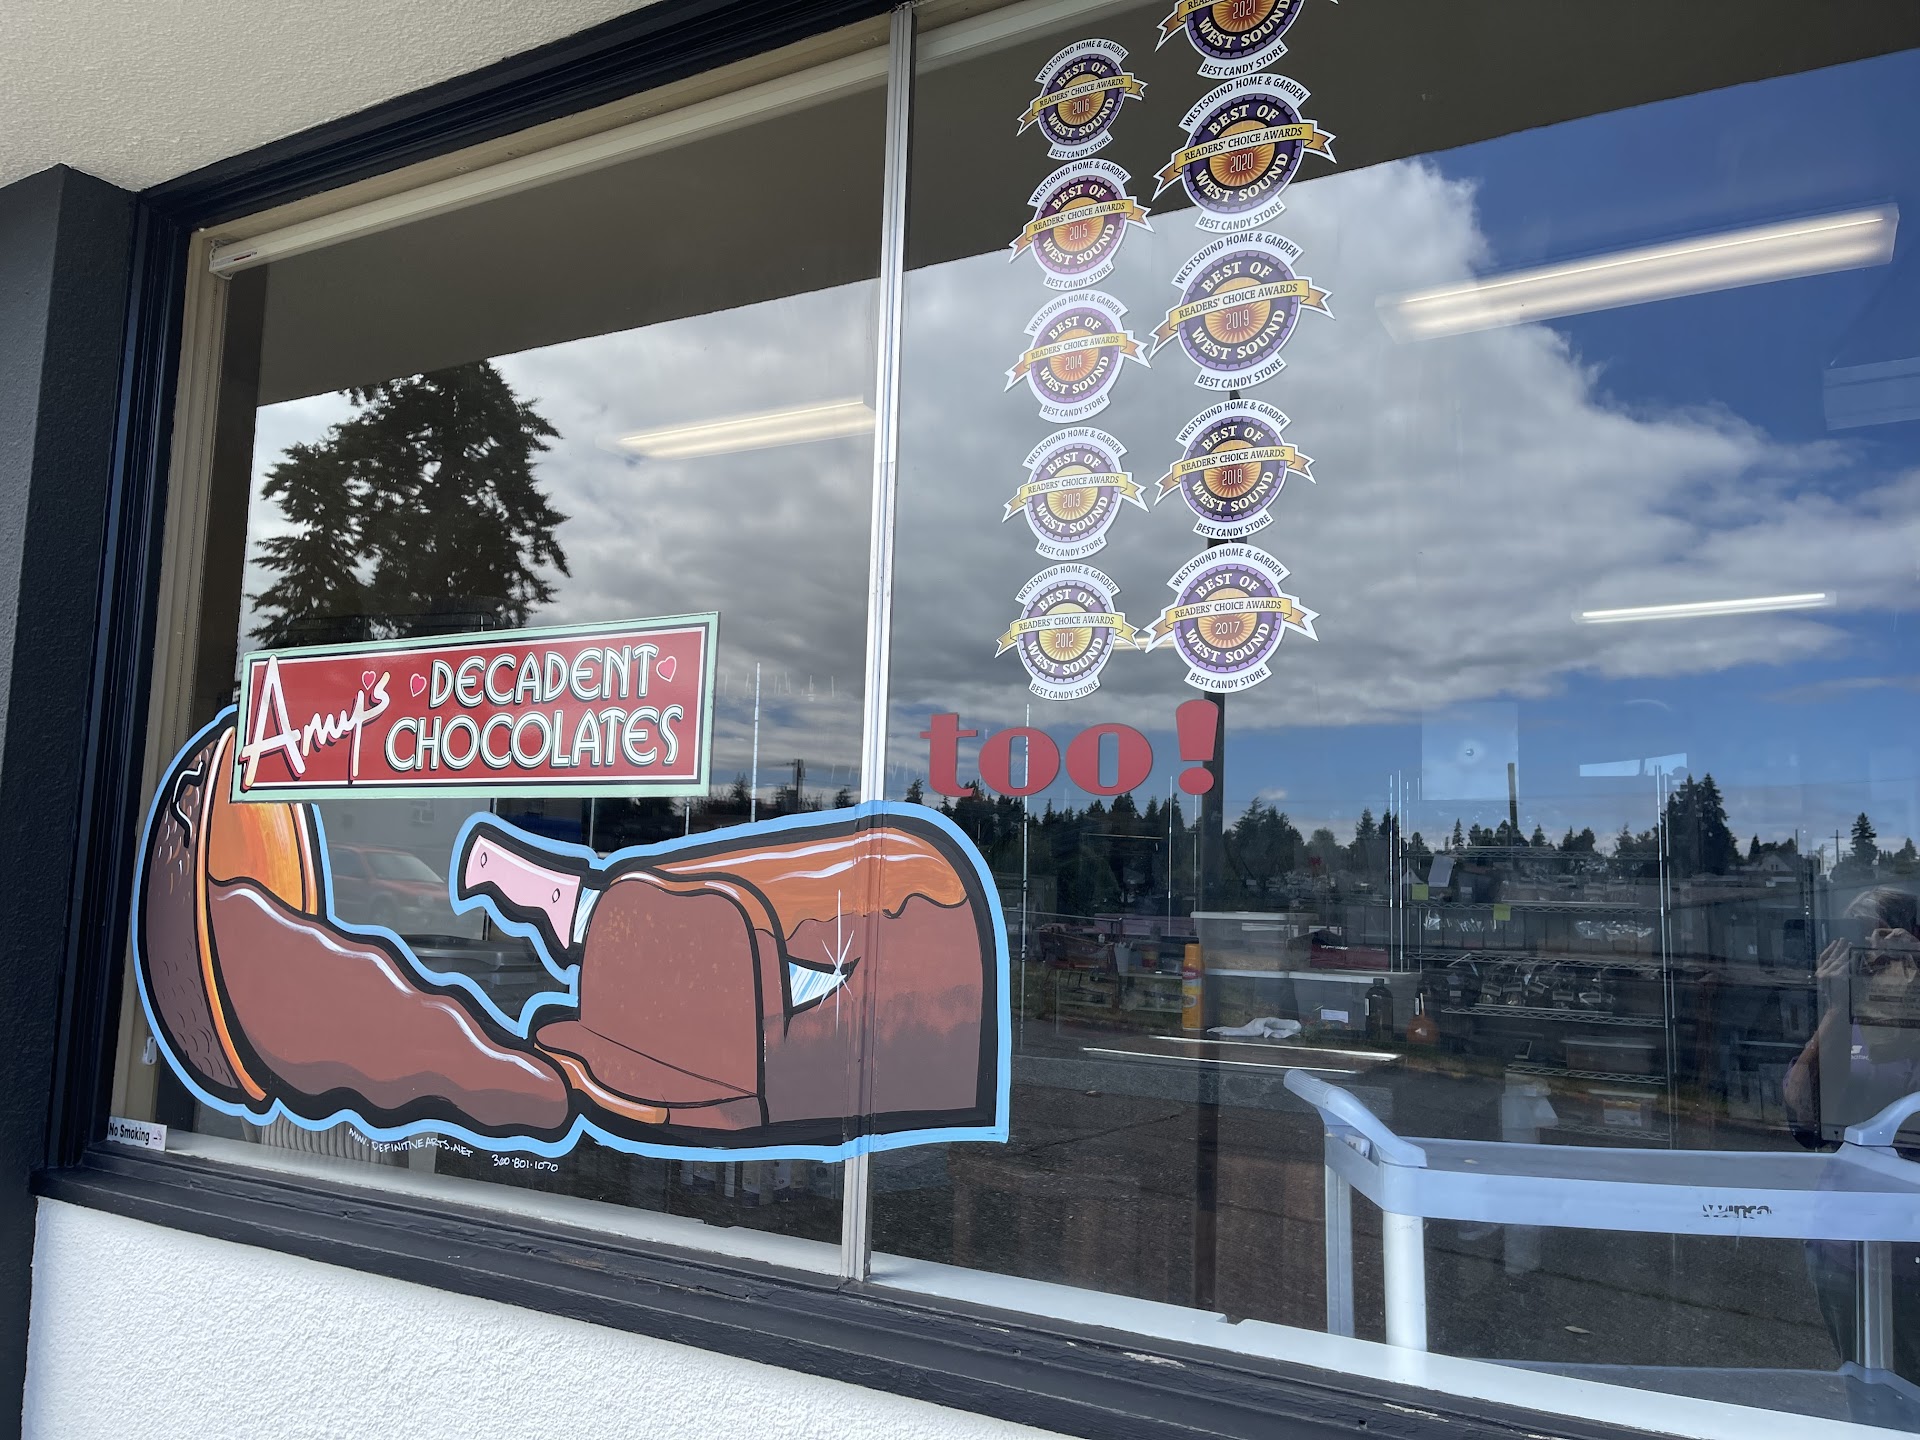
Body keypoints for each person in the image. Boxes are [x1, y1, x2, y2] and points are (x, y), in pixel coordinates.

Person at [1784, 886, 1920, 1386]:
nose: (1873, 954)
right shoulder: (1850, 1020)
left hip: (1910, 1248)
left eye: (1884, 938)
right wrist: (1838, 1004)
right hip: (1844, 1249)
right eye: (1859, 942)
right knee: (1863, 1388)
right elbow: (1806, 1118)